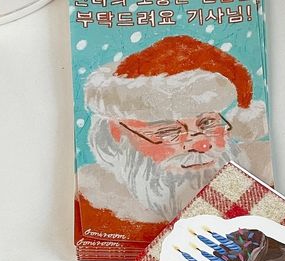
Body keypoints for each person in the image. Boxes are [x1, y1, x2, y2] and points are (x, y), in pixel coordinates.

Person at [77, 35, 272, 243]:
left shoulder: (265, 172)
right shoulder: (95, 202)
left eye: (207, 123)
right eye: (169, 131)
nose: (202, 144)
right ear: (117, 134)